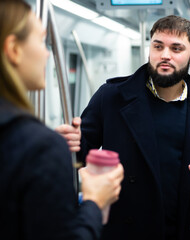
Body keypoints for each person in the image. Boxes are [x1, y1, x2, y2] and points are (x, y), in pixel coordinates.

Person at [57, 15, 190, 240]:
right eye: (158, 46)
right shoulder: (112, 97)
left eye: (176, 48)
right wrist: (63, 145)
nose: (165, 55)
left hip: (179, 230)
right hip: (126, 228)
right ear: (149, 50)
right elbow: (79, 152)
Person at [0, 1, 124, 239]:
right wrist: (95, 202)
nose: (47, 53)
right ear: (14, 49)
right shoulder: (39, 147)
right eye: (41, 41)